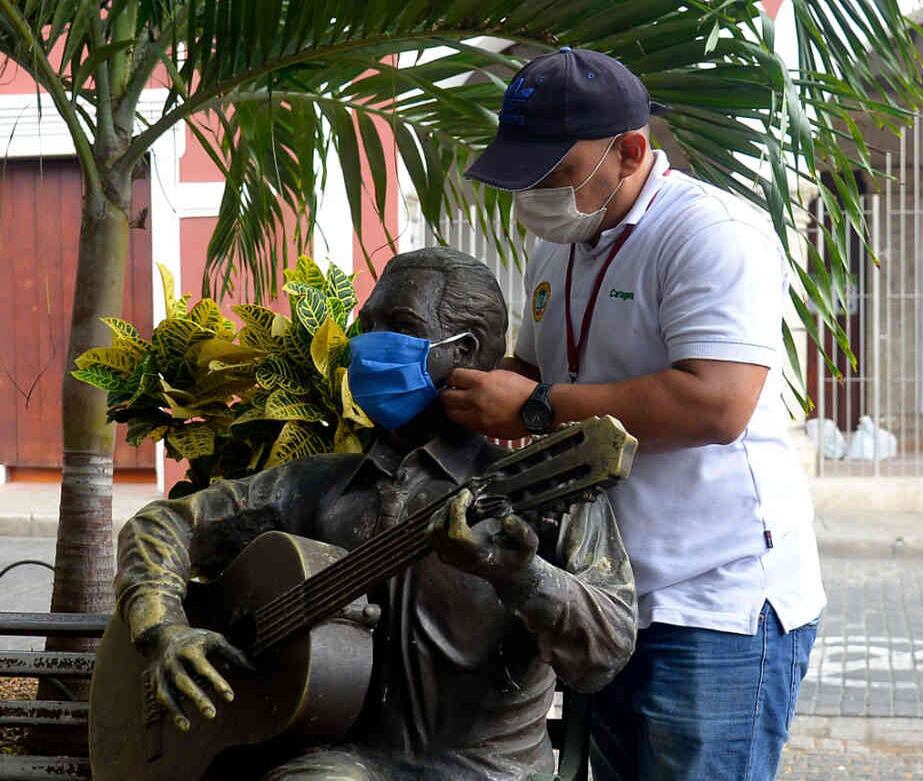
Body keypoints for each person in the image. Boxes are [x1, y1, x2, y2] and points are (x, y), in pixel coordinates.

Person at [112, 248, 637, 780]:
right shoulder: (318, 484)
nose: (367, 345)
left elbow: (608, 650)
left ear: (468, 351)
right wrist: (164, 629)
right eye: (367, 325)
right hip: (345, 756)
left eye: (400, 325)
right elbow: (163, 525)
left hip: (485, 769)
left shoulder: (543, 489)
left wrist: (522, 575)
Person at [445, 47, 826, 780]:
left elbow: (715, 400)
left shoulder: (710, 233)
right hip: (606, 599)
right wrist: (471, 384)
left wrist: (533, 405)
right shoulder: (557, 246)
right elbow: (545, 367)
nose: (535, 194)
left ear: (630, 152)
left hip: (712, 603)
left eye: (554, 174)